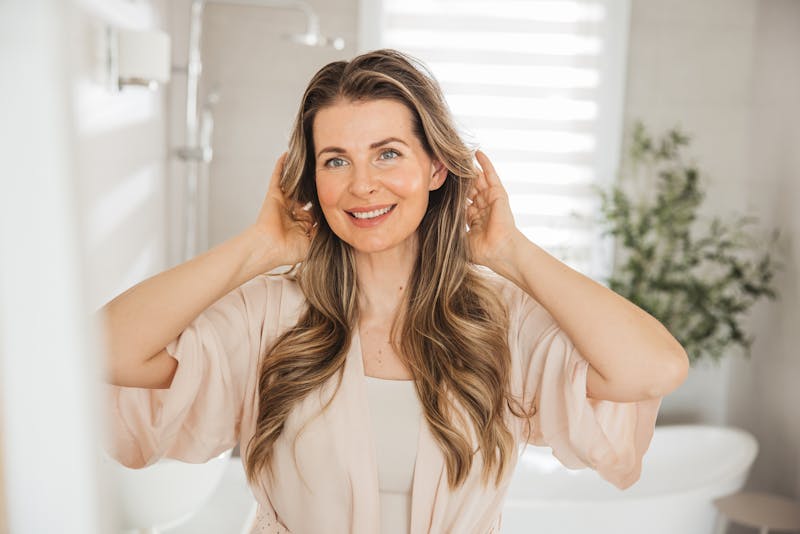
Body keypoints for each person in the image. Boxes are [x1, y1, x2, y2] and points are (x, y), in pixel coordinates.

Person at [100, 49, 688, 534]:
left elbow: (655, 367)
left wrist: (512, 253)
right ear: (312, 180)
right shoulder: (271, 316)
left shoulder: (496, 321)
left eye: (387, 154)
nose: (361, 185)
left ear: (436, 169)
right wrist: (258, 247)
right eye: (335, 161)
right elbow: (102, 349)